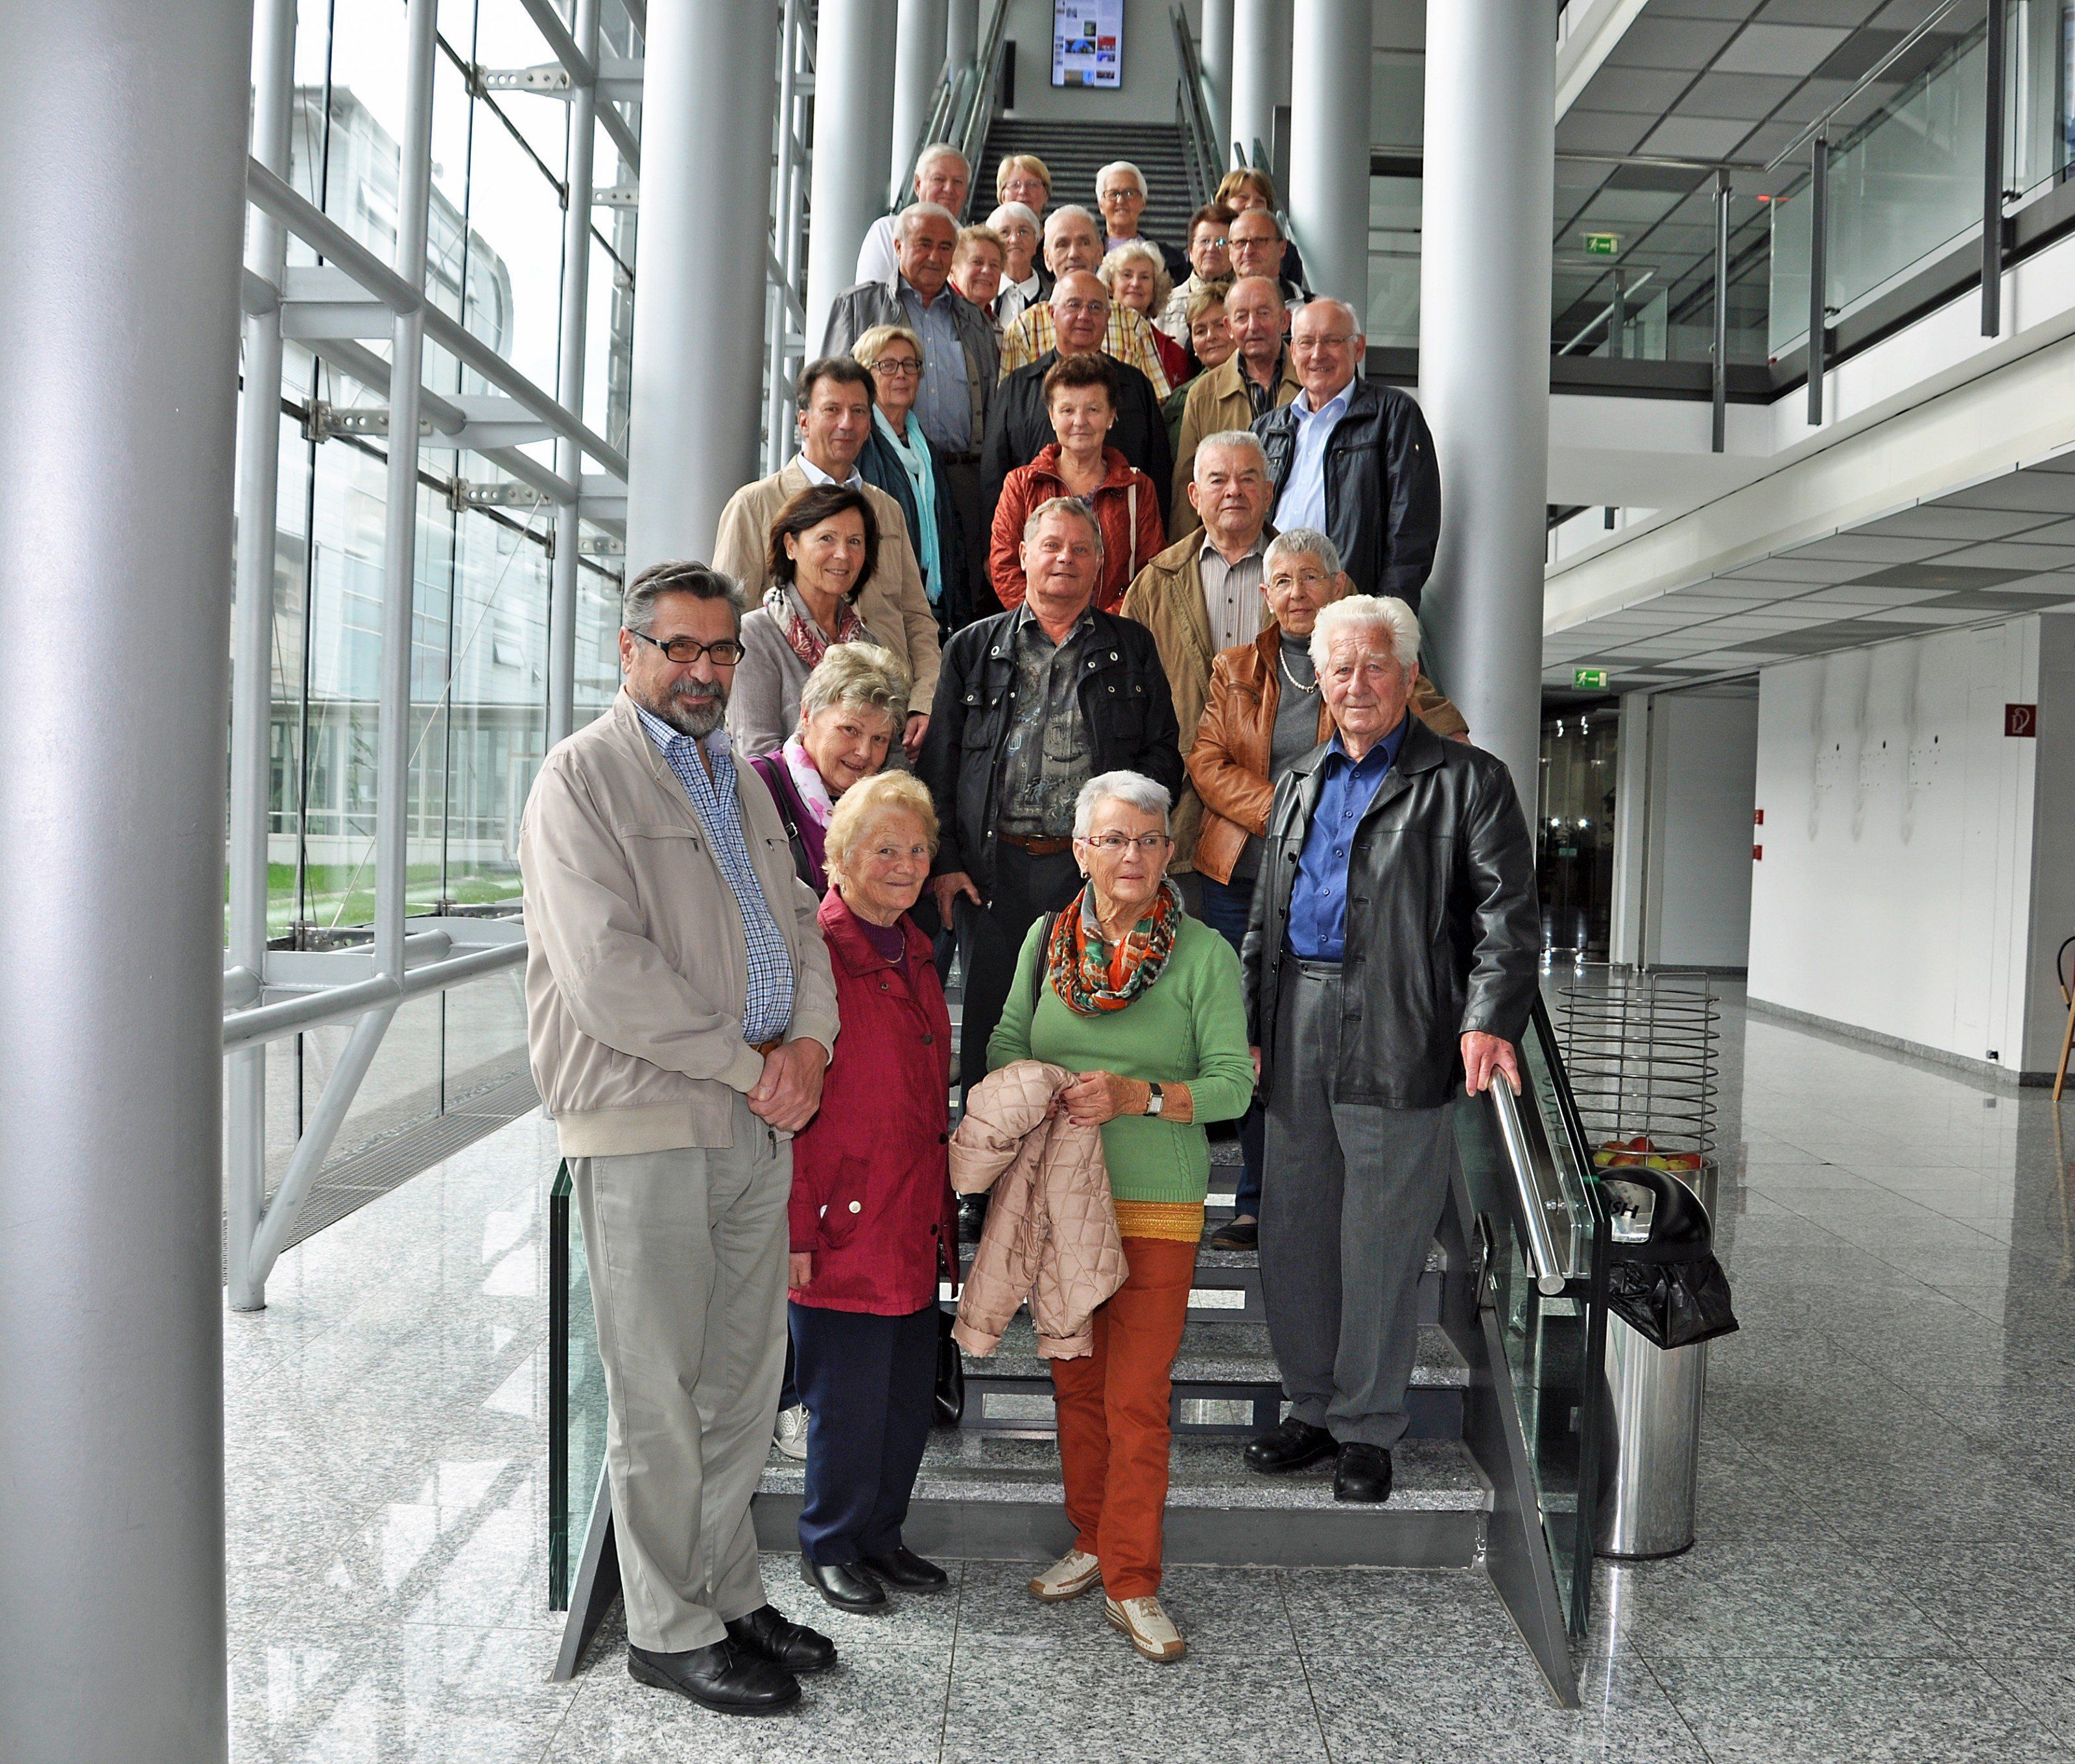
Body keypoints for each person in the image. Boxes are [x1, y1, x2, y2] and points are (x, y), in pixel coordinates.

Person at [518, 560, 839, 1716]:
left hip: (759, 1115)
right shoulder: (582, 780)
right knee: (658, 1386)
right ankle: (663, 1626)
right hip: (652, 1119)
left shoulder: (739, 779)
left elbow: (800, 920)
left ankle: (725, 1590)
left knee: (743, 1385)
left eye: (722, 653)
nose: (706, 671)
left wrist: (808, 1043)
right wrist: (756, 1066)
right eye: (683, 650)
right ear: (630, 651)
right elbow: (610, 976)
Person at [1240, 595, 1538, 1506]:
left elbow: (1506, 919)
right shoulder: (1297, 781)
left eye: (1376, 666)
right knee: (1294, 1231)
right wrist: (1249, 1024)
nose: (1357, 684)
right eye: (1340, 669)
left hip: (1403, 1022)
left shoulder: (1469, 780)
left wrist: (1488, 1017)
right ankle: (1311, 1407)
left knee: (1380, 1235)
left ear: (1409, 678)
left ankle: (1367, 1426)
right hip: (1298, 1021)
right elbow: (1267, 917)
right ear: (1320, 682)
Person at [991, 772, 1253, 1663]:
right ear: (1081, 850)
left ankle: (1133, 1581)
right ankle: (1094, 1538)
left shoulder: (1206, 956)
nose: (1131, 855)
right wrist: (1040, 1089)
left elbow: (1233, 1086)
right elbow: (1004, 1046)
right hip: (1060, 1204)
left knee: (1137, 1396)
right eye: (1112, 839)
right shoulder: (1042, 941)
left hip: (1156, 1205)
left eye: (1147, 839)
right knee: (1075, 1386)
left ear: (1169, 853)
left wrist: (1140, 1095)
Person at [1185, 533, 1465, 1252]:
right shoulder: (1237, 666)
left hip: (1352, 897)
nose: (1297, 591)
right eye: (1281, 579)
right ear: (1264, 594)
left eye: (1311, 576)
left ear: (1336, 583)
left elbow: (1450, 737)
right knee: (1251, 1043)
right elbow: (1206, 760)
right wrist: (1292, 811)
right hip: (1240, 877)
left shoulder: (1370, 661)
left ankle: (1335, 1201)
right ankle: (1255, 1199)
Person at [918, 498, 1183, 1096]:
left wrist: (1123, 850)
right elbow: (941, 766)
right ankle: (985, 1186)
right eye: (1052, 546)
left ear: (1100, 564)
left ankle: (1075, 1182)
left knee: (1086, 1034)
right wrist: (949, 864)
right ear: (1023, 556)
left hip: (1089, 871)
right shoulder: (972, 649)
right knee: (992, 1036)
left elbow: (1163, 758)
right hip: (992, 873)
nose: (1066, 558)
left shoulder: (1131, 649)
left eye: (1082, 549)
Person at [785, 771, 959, 1614]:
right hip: (841, 1224)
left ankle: (882, 1537)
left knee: (899, 1407)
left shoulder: (917, 949)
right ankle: (830, 1543)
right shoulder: (817, 950)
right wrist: (798, 1231)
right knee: (845, 1407)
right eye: (884, 848)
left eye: (918, 848)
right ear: (841, 858)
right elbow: (790, 1112)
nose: (905, 864)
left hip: (912, 1219)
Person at [714, 357, 940, 750]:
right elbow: (725, 623)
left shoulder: (886, 509)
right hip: (790, 731)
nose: (846, 424)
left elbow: (916, 618)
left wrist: (924, 701)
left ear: (870, 424)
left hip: (886, 728)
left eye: (858, 412)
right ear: (803, 420)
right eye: (831, 410)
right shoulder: (754, 505)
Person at [1118, 431, 1276, 877]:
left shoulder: (1309, 577)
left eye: (1248, 479)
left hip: (1282, 804)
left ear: (1268, 493)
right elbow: (1127, 707)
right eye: (1218, 479)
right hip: (1184, 809)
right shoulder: (1155, 584)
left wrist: (1446, 726)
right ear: (1194, 495)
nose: (1233, 491)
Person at [1255, 298, 1441, 607]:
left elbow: (1411, 529)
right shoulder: (1265, 430)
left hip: (1352, 608)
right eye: (1306, 343)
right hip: (1275, 606)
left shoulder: (1393, 415)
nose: (1317, 354)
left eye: (1332, 341)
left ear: (1358, 348)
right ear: (1292, 353)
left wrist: (1388, 610)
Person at [982, 273, 1172, 527]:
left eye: (1095, 307)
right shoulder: (1017, 388)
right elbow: (994, 475)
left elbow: (1158, 470)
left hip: (1122, 543)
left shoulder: (1136, 386)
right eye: (1073, 305)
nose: (1085, 315)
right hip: (1036, 548)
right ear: (1051, 314)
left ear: (1108, 318)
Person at [822, 204, 997, 468]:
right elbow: (828, 396)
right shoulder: (858, 307)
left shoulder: (975, 321)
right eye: (924, 244)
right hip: (882, 471)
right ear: (898, 246)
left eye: (945, 247)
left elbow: (990, 406)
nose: (934, 257)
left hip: (964, 478)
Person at [991, 354, 1163, 615]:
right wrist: (1047, 624)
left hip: (1114, 639)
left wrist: (1102, 628)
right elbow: (1005, 566)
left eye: (1093, 409)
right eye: (1067, 410)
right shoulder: (1020, 484)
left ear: (1111, 415)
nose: (1080, 421)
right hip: (1036, 639)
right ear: (1052, 417)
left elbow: (1151, 573)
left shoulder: (1138, 488)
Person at [727, 485, 887, 759]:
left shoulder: (867, 644)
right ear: (791, 546)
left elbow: (886, 748)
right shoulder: (755, 634)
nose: (843, 554)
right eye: (827, 538)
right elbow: (757, 754)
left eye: (855, 541)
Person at [748, 643, 910, 898]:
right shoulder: (755, 785)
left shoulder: (885, 804)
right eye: (850, 730)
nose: (864, 752)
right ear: (807, 714)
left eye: (879, 739)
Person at [851, 324, 970, 630]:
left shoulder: (926, 448)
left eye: (909, 365)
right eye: (887, 366)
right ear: (866, 376)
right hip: (880, 609)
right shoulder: (859, 446)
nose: (901, 374)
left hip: (933, 609)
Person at [998, 206, 1172, 397]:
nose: (1074, 254)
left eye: (1084, 242)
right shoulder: (1023, 330)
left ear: (1100, 252)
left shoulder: (1133, 325)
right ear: (1048, 258)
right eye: (1062, 244)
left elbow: (1157, 402)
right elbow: (1013, 407)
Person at [1171, 277, 1300, 536]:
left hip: (1298, 543)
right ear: (1230, 326)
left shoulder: (1311, 385)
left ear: (1285, 320)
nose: (1253, 326)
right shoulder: (1203, 395)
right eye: (1242, 317)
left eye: (1264, 313)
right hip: (1227, 543)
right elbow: (1186, 487)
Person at [855, 141, 970, 285]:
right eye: (939, 179)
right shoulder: (887, 231)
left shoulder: (969, 243)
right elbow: (869, 299)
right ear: (917, 184)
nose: (949, 188)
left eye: (958, 182)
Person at [1100, 241, 1187, 391]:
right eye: (1127, 275)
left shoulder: (1174, 355)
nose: (1135, 283)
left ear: (1156, 287)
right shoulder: (1090, 338)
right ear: (1110, 283)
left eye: (1145, 277)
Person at [1215, 167, 1309, 296]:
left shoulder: (1285, 251)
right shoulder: (1208, 246)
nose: (1250, 205)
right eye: (1243, 198)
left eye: (1259, 201)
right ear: (1224, 202)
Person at [1163, 289, 1233, 456]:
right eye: (1200, 331)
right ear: (1193, 344)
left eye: (1220, 326)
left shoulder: (1260, 384)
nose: (1210, 337)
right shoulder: (1180, 399)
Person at [1095, 159, 1185, 281]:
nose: (1121, 200)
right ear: (1101, 205)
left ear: (1143, 203)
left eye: (1129, 193)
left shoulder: (1172, 262)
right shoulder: (1086, 257)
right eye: (1113, 194)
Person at [1156, 203, 1235, 344]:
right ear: (1191, 252)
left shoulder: (1245, 300)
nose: (1211, 248)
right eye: (1205, 241)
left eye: (1221, 242)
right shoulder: (1166, 304)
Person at [1226, 206, 1307, 311]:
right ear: (1230, 252)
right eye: (1240, 242)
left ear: (1282, 248)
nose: (1248, 251)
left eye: (1260, 241)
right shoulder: (1212, 310)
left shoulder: (1312, 309)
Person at [986, 201, 1046, 325]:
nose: (1014, 240)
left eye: (1023, 232)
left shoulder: (1053, 297)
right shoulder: (981, 295)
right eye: (1004, 232)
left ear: (1036, 242)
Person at [949, 224, 1007, 338]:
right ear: (952, 271)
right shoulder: (939, 320)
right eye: (977, 262)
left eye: (994, 265)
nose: (987, 270)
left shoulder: (1000, 332)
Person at [996, 150, 1052, 218]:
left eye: (1032, 184)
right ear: (1002, 195)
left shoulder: (1055, 228)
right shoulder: (986, 229)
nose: (1023, 191)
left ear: (1046, 194)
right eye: (1015, 185)